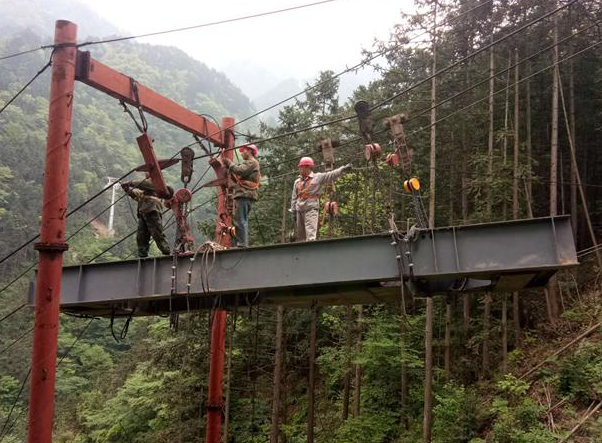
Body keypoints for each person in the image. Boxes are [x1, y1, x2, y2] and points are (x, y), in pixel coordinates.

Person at [290, 157, 352, 241]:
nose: (299, 169)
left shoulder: (317, 177)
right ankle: (302, 253)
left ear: (307, 167)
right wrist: (293, 211)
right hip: (299, 211)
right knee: (300, 237)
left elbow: (331, 174)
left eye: (301, 167)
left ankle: (311, 252)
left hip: (311, 209)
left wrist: (343, 169)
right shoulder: (297, 182)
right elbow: (294, 198)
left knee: (310, 235)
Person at [121, 178, 172, 257]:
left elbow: (144, 184)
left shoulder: (156, 185)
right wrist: (127, 189)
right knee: (141, 236)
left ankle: (166, 251)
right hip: (144, 212)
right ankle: (142, 254)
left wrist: (129, 183)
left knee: (156, 233)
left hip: (152, 210)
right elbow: (136, 194)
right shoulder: (145, 192)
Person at [224, 144, 261, 247]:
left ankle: (242, 243)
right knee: (235, 221)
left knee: (240, 220)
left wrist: (229, 163)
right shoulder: (248, 163)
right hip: (241, 194)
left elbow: (240, 170)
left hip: (245, 194)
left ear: (249, 151)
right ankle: (234, 243)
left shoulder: (252, 162)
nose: (242, 153)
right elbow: (238, 174)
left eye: (243, 151)